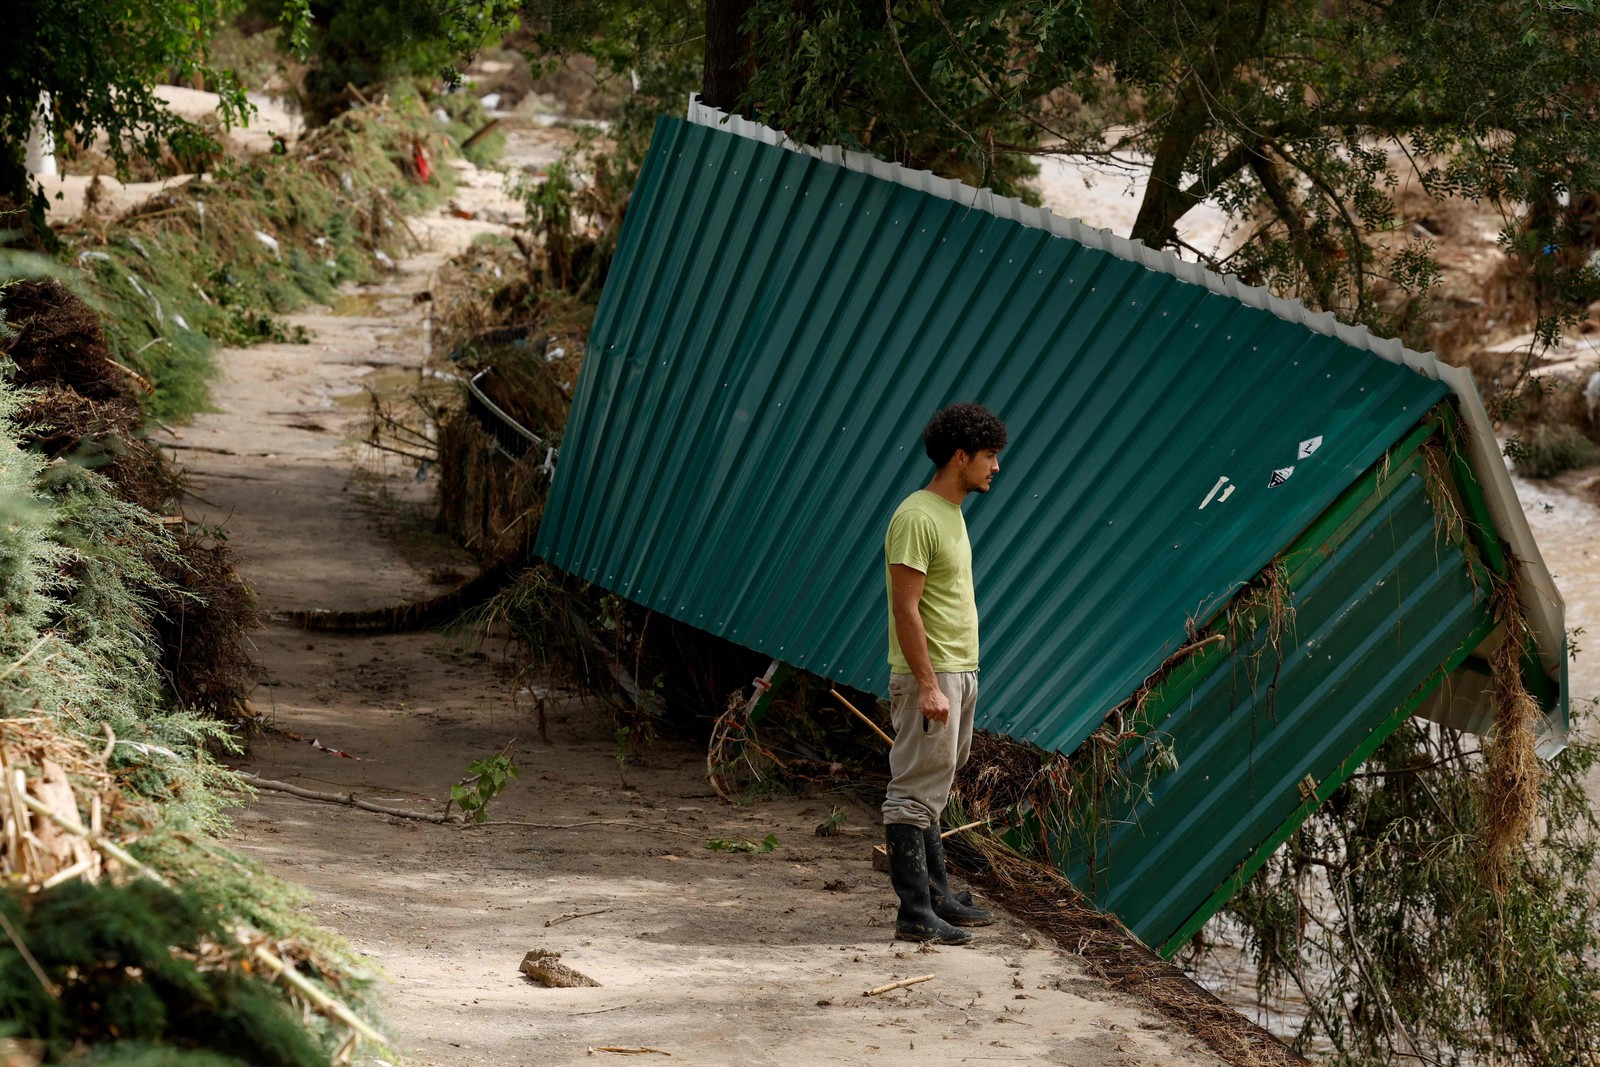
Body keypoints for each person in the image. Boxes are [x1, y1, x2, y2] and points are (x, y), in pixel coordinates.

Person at [881, 402, 1007, 944]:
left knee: (937, 782)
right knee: (912, 791)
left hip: (960, 669)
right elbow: (904, 610)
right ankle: (914, 915)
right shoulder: (916, 517)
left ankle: (939, 897)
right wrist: (929, 684)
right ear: (960, 457)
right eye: (988, 456)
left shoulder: (951, 513)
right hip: (931, 677)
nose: (995, 467)